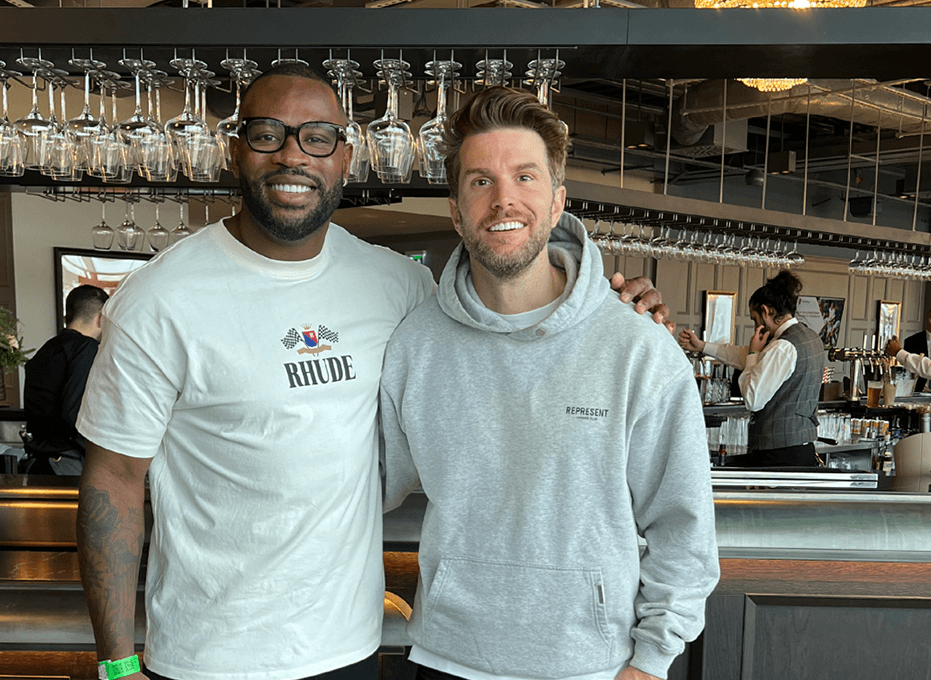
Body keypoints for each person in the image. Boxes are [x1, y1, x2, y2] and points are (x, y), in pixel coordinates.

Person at [73, 63, 672, 680]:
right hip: (211, 658)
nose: (292, 155)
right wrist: (117, 665)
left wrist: (607, 306)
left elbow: (501, 320)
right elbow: (113, 479)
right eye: (266, 134)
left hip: (354, 648)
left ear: (346, 156)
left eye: (317, 137)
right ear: (234, 149)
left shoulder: (400, 286)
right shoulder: (158, 299)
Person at [380, 87, 719, 680]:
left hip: (590, 666)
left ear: (558, 201)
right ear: (456, 211)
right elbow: (370, 484)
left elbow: (683, 526)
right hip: (446, 659)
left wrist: (653, 659)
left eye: (526, 177)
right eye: (480, 180)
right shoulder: (415, 344)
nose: (503, 198)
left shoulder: (638, 347)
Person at [677, 271, 824, 467]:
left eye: (755, 318)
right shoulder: (810, 337)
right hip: (802, 447)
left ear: (766, 311)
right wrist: (703, 346)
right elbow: (741, 355)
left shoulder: (782, 347)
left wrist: (754, 354)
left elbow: (753, 400)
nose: (756, 326)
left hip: (778, 453)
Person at [21, 284, 109, 476]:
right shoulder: (86, 349)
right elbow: (75, 413)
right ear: (101, 318)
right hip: (67, 463)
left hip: (39, 461)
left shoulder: (45, 351)